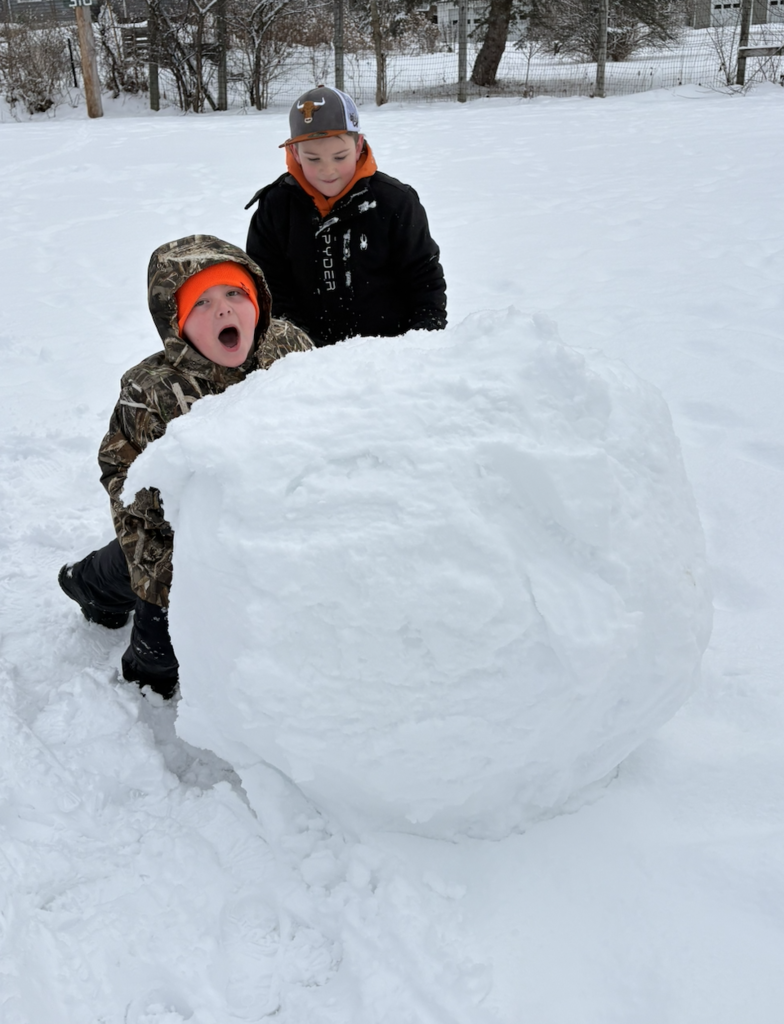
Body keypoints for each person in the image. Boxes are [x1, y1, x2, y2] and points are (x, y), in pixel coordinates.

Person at [58, 235, 312, 700]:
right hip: (168, 535)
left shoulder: (289, 346)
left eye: (235, 293)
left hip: (255, 523)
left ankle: (96, 578)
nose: (224, 309)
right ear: (176, 323)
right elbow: (120, 469)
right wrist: (181, 504)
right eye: (201, 302)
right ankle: (92, 592)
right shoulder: (151, 389)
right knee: (158, 649)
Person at [245, 85, 447, 348]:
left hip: (391, 353)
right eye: (313, 159)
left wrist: (420, 343)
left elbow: (424, 279)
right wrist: (300, 348)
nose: (328, 171)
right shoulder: (275, 207)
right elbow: (268, 288)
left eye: (340, 157)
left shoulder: (396, 202)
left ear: (358, 145)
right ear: (295, 153)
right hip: (306, 356)